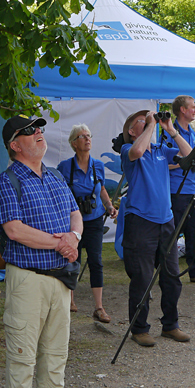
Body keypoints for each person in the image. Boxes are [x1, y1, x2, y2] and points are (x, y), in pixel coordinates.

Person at [0, 115, 82, 388]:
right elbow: (14, 230)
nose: (38, 132)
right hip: (27, 278)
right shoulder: (7, 181)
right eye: (29, 131)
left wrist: (75, 238)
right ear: (15, 145)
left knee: (56, 351)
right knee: (22, 353)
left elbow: (75, 214)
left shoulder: (56, 176)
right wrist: (62, 244)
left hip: (60, 278)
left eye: (39, 128)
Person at [121, 109, 193, 347]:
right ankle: (139, 328)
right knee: (142, 277)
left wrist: (171, 130)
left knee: (172, 276)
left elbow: (189, 157)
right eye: (141, 121)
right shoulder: (128, 150)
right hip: (140, 220)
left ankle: (170, 325)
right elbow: (138, 150)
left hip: (166, 220)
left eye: (148, 119)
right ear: (132, 131)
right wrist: (152, 125)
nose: (148, 122)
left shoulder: (162, 151)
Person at [57, 124, 118, 322]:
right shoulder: (65, 167)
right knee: (72, 259)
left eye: (89, 135)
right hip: (73, 221)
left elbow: (101, 190)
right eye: (82, 136)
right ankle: (70, 301)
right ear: (74, 143)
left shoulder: (97, 165)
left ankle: (99, 307)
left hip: (93, 220)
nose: (87, 139)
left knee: (96, 261)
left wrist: (109, 206)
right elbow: (60, 192)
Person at [162, 95, 195, 287]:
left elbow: (193, 157)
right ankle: (168, 269)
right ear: (182, 110)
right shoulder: (168, 133)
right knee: (173, 233)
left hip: (194, 190)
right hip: (177, 191)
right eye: (193, 107)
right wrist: (185, 163)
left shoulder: (190, 131)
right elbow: (164, 164)